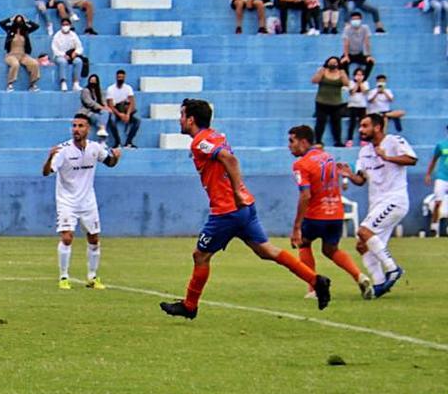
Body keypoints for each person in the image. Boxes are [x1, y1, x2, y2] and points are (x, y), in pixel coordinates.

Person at [160, 99, 331, 319]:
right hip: (244, 208)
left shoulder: (200, 142)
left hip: (226, 211)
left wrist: (237, 192)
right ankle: (316, 280)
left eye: (182, 115)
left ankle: (190, 306)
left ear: (191, 119)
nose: (180, 120)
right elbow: (226, 158)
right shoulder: (216, 135)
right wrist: (240, 192)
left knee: (200, 255)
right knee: (267, 251)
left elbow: (228, 159)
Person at [288, 125, 374, 299]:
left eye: (292, 141)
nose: (289, 146)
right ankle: (360, 276)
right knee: (330, 249)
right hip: (335, 213)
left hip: (315, 214)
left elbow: (305, 195)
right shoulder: (329, 158)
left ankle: (313, 288)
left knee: (303, 243)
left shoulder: (300, 164)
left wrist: (296, 226)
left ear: (304, 142)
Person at [337, 113, 417, 298]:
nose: (360, 130)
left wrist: (387, 157)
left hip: (395, 199)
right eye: (360, 126)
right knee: (362, 245)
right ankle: (380, 283)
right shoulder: (364, 152)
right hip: (377, 204)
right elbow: (361, 180)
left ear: (377, 127)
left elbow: (412, 160)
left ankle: (393, 269)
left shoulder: (394, 141)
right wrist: (349, 174)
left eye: (365, 126)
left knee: (363, 231)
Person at [42, 114, 121, 290]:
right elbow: (47, 172)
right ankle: (64, 277)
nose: (76, 129)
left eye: (80, 126)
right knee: (67, 237)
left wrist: (116, 157)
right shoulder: (63, 150)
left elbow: (109, 163)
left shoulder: (95, 148)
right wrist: (48, 158)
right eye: (74, 126)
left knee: (94, 239)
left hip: (87, 202)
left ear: (88, 129)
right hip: (67, 201)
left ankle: (92, 277)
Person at [311, 56, 350, 147]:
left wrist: (343, 73)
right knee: (320, 122)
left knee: (336, 123)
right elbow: (314, 81)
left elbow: (346, 84)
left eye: (335, 62)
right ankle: (318, 140)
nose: (332, 64)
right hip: (321, 101)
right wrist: (320, 72)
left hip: (336, 103)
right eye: (331, 62)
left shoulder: (341, 73)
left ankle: (338, 141)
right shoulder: (323, 71)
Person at [0, 14, 41, 92]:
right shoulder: (10, 30)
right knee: (15, 64)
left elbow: (36, 26)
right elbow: (1, 23)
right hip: (11, 55)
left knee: (34, 63)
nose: (19, 22)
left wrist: (27, 20)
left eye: (21, 20)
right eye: (17, 20)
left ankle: (33, 84)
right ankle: (10, 84)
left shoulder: (25, 32)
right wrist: (10, 19)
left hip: (23, 55)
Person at [105, 70, 140, 148]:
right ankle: (117, 142)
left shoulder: (128, 88)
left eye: (122, 77)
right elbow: (110, 105)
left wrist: (127, 114)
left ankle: (129, 142)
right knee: (112, 121)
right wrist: (120, 115)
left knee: (137, 122)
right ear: (116, 77)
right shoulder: (110, 89)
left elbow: (132, 102)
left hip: (125, 110)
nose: (120, 79)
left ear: (124, 78)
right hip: (115, 111)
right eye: (119, 77)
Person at [424, 125, 448, 236]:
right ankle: (434, 228)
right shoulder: (441, 145)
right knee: (438, 202)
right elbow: (434, 160)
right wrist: (428, 174)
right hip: (442, 177)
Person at [51, 18, 84, 91]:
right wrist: (63, 55)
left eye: (67, 24)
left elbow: (79, 47)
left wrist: (76, 52)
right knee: (63, 62)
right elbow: (54, 49)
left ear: (70, 25)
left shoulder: (73, 35)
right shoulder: (57, 36)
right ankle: (63, 82)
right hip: (59, 56)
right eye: (63, 25)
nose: (65, 26)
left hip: (71, 56)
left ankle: (76, 83)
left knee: (78, 61)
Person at [340, 11, 376, 79]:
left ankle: (363, 80)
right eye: (353, 19)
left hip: (360, 53)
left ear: (361, 20)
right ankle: (347, 81)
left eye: (357, 19)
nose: (355, 21)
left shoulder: (365, 28)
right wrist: (346, 56)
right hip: (350, 53)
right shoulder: (347, 29)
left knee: (370, 62)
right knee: (342, 63)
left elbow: (367, 42)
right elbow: (346, 43)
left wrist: (368, 55)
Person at [78, 74, 111, 138]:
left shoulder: (99, 91)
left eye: (94, 81)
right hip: (88, 112)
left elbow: (103, 101)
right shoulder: (85, 91)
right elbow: (89, 102)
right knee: (99, 118)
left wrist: (106, 107)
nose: (93, 82)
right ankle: (102, 130)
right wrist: (101, 107)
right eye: (91, 80)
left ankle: (102, 129)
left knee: (105, 113)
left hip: (98, 111)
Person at [344, 67, 369, 147]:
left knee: (363, 124)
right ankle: (349, 139)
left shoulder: (365, 83)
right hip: (352, 106)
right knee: (352, 123)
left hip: (362, 106)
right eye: (357, 74)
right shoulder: (351, 83)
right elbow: (352, 92)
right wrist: (357, 84)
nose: (359, 76)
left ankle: (363, 140)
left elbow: (365, 91)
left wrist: (360, 83)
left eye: (361, 75)